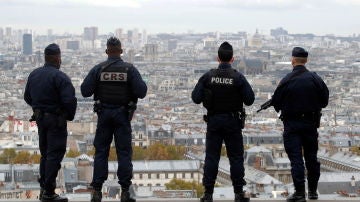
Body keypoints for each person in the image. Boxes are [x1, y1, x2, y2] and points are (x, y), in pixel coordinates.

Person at [81, 36, 147, 202]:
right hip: (123, 115)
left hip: (104, 115)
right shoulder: (129, 70)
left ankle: (96, 191)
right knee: (124, 153)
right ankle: (125, 191)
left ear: (106, 51)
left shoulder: (99, 69)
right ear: (121, 51)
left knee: (101, 152)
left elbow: (85, 91)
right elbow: (142, 92)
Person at [192, 42, 254, 202]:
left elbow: (195, 98)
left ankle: (208, 194)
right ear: (232, 59)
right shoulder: (238, 77)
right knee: (236, 157)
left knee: (212, 157)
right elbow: (250, 100)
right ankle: (239, 193)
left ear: (217, 58)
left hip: (214, 121)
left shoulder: (208, 76)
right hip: (233, 121)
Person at [271, 47, 329, 202]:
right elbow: (324, 101)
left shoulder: (286, 80)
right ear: (306, 61)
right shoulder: (315, 79)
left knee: (296, 159)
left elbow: (276, 102)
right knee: (312, 158)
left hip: (292, 125)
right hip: (310, 124)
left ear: (293, 60)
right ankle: (313, 191)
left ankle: (299, 192)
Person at [24, 43, 77, 202]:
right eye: (59, 57)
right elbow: (70, 101)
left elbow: (27, 97)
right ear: (56, 58)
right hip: (56, 121)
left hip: (40, 119)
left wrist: (38, 107)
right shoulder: (60, 77)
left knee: (45, 154)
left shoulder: (34, 74)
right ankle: (49, 192)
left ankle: (43, 188)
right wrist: (66, 115)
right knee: (54, 155)